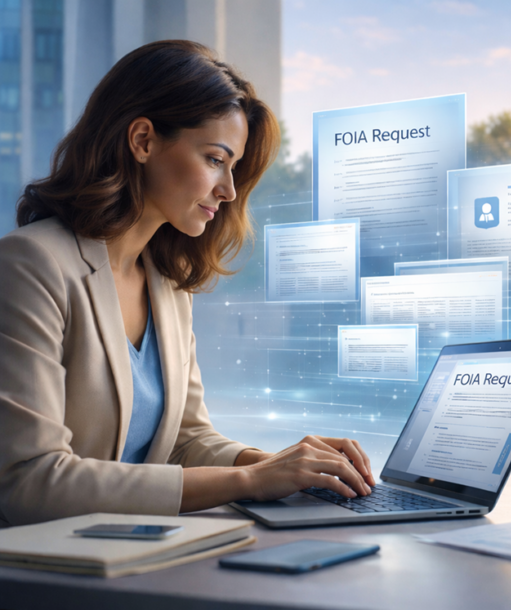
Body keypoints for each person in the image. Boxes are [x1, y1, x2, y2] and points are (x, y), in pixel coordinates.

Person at [0, 40, 373, 528]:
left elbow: (185, 440)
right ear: (143, 140)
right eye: (216, 160)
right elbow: (30, 482)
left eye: (234, 167)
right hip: (41, 571)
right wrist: (252, 481)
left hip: (132, 551)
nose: (230, 190)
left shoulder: (167, 284)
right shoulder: (30, 265)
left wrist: (284, 465)